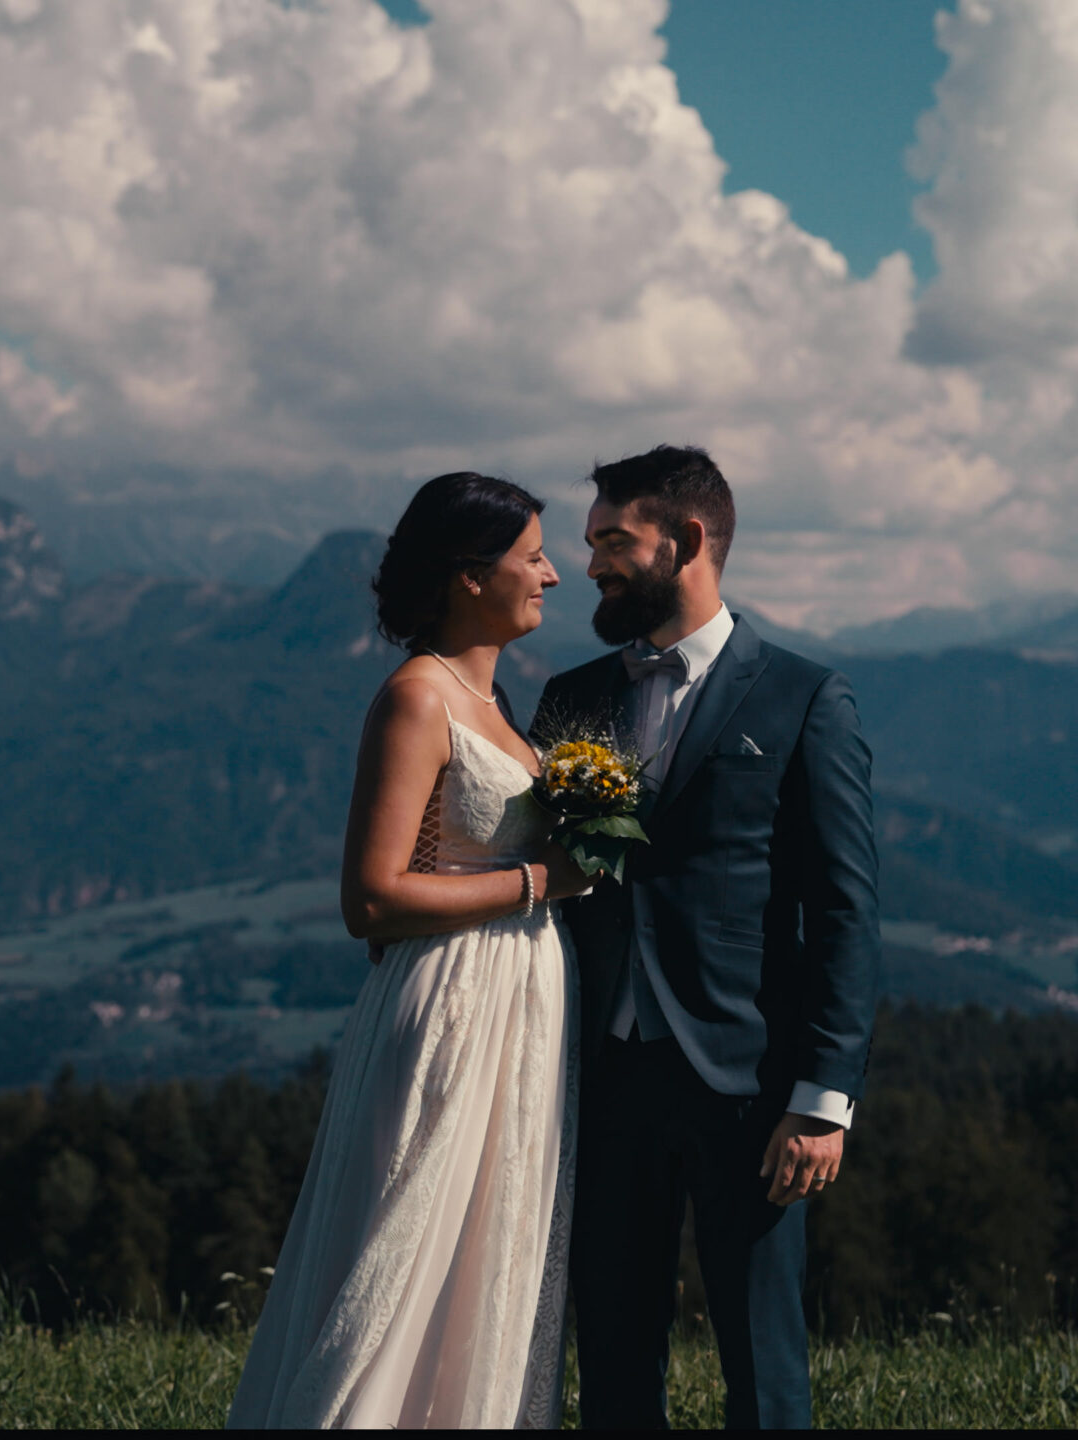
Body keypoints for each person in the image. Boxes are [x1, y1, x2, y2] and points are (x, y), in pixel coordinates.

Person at [227, 472, 594, 1429]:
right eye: (532, 558)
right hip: (455, 1004)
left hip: (521, 1003)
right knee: (409, 1240)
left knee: (485, 1247)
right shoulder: (416, 700)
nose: (552, 575)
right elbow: (373, 896)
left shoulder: (500, 700)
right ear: (471, 577)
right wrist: (538, 883)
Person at [530, 445, 879, 1430]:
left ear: (686, 542)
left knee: (762, 1369)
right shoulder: (572, 696)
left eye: (611, 540)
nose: (588, 563)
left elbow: (847, 910)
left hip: (746, 1086)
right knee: (609, 1353)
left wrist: (822, 1100)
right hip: (596, 1078)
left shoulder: (805, 698)